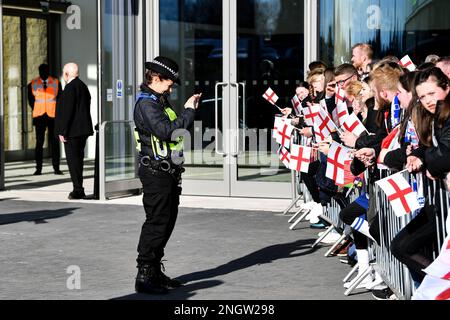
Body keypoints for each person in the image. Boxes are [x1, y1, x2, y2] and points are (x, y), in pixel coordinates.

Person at [133, 56, 201, 294]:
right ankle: (144, 274)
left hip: (167, 172)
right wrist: (189, 112)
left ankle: (154, 270)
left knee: (166, 222)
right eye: (169, 82)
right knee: (157, 223)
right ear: (156, 77)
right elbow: (168, 132)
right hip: (155, 173)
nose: (172, 87)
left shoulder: (159, 101)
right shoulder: (147, 104)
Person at [55, 63, 94, 200]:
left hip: (72, 132)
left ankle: (78, 189)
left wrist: (62, 131)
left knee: (73, 162)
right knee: (79, 160)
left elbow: (68, 111)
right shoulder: (83, 86)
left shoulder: (70, 87)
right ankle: (79, 188)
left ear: (66, 74)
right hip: (82, 131)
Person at [28, 63, 63, 176]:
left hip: (53, 116)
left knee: (54, 143)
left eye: (45, 70)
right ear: (39, 71)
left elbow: (60, 99)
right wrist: (38, 109)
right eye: (41, 71)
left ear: (48, 71)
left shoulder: (56, 82)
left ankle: (56, 168)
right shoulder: (33, 83)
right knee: (39, 143)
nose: (43, 72)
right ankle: (38, 169)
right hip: (39, 116)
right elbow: (31, 101)